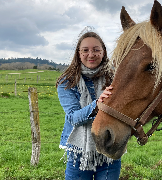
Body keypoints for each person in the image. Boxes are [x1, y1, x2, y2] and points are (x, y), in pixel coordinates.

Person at [56, 30, 120, 180]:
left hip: (109, 150)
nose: (91, 54)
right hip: (79, 154)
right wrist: (98, 105)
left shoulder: (114, 78)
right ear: (78, 54)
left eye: (96, 50)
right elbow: (73, 117)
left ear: (103, 52)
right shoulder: (67, 82)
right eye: (85, 50)